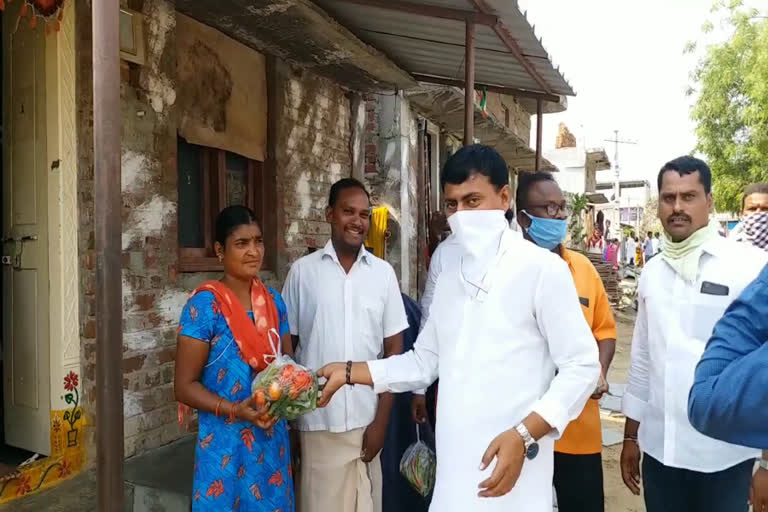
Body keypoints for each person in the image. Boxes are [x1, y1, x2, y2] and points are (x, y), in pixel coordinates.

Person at [316, 144, 600, 512]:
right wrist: (352, 371)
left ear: (503, 199)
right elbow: (423, 363)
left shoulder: (542, 270)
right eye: (452, 205)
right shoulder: (450, 274)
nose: (461, 215)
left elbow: (582, 367)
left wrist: (525, 433)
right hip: (454, 482)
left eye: (473, 201)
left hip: (515, 477)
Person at [620, 156, 768, 512]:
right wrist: (630, 436)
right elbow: (643, 357)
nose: (677, 207)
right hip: (660, 450)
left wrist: (764, 463)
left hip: (725, 455)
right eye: (669, 198)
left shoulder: (748, 266)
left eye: (689, 196)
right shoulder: (652, 272)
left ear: (710, 202)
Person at [282, 178, 407, 512]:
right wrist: (290, 424)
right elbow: (286, 353)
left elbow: (395, 352)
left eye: (364, 214)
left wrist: (381, 423)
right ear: (330, 215)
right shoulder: (302, 273)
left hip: (368, 423)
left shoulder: (383, 275)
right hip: (318, 421)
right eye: (348, 211)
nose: (358, 221)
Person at [174, 205, 295, 511]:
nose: (253, 251)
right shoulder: (204, 308)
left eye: (258, 241)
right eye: (242, 243)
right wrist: (235, 409)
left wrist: (299, 391)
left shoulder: (274, 302)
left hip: (270, 442)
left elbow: (288, 367)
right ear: (219, 250)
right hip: (224, 444)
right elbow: (184, 386)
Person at [516, 172, 617, 512]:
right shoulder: (504, 274)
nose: (559, 215)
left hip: (578, 433)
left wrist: (598, 372)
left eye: (561, 208)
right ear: (523, 218)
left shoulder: (584, 270)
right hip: (520, 429)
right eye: (548, 208)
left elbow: (604, 331)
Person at [688, 263, 768, 511]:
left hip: (728, 454)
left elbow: (707, 398)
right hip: (668, 445)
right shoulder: (653, 271)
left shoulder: (744, 260)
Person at [731, 182, 768, 250]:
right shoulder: (729, 248)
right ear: (742, 213)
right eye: (752, 209)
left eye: (765, 208)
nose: (758, 213)